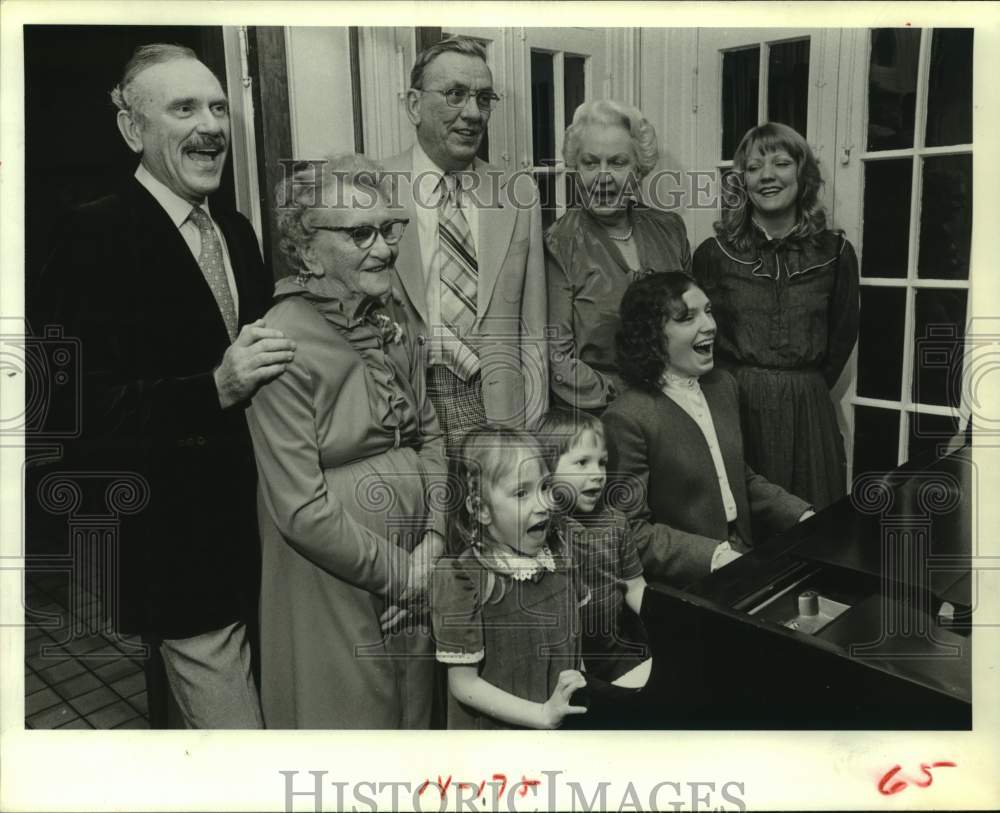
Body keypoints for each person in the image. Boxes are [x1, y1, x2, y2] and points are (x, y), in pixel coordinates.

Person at [42, 44, 294, 728]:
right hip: (173, 550)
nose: (210, 124)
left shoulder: (236, 232)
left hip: (255, 537)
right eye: (184, 108)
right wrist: (214, 384)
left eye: (218, 106)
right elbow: (76, 412)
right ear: (133, 130)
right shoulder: (91, 233)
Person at [246, 155, 446, 729]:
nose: (384, 248)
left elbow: (431, 434)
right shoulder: (278, 343)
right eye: (360, 233)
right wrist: (402, 576)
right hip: (330, 579)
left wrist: (433, 539)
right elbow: (301, 510)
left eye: (389, 229)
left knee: (412, 724)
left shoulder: (395, 320)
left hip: (416, 563)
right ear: (308, 251)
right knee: (350, 720)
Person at [381, 36, 548, 450]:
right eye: (455, 94)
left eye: (484, 98)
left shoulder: (519, 194)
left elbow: (534, 324)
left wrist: (532, 422)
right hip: (405, 408)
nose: (472, 114)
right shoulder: (372, 189)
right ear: (414, 105)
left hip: (499, 412)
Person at [603, 272, 814, 589]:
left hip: (743, 556)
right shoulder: (626, 418)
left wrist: (801, 516)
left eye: (709, 311)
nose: (710, 326)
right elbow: (630, 530)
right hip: (686, 584)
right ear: (652, 336)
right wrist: (712, 556)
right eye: (688, 318)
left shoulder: (723, 386)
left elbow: (738, 478)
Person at [693, 122, 859, 510]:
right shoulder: (713, 254)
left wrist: (799, 387)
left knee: (813, 528)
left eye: (781, 163)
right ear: (742, 182)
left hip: (808, 411)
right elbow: (700, 340)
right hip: (736, 409)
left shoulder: (836, 252)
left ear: (802, 174)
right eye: (754, 167)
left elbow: (841, 337)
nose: (767, 176)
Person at [431, 426, 588, 729]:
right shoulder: (464, 578)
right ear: (481, 510)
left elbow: (575, 641)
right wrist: (541, 715)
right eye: (521, 493)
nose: (543, 504)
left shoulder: (559, 554)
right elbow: (464, 685)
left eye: (544, 488)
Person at [545, 99, 691, 413]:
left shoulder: (670, 229)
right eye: (590, 162)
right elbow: (557, 361)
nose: (603, 176)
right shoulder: (559, 242)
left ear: (638, 170)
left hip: (678, 404)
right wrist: (631, 399)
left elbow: (692, 321)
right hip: (602, 415)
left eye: (618, 162)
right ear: (576, 168)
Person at [537, 408, 649, 685]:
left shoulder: (616, 522)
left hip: (615, 655)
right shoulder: (540, 532)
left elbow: (635, 587)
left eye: (602, 463)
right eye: (582, 462)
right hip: (564, 666)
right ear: (547, 469)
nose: (598, 474)